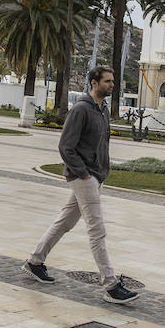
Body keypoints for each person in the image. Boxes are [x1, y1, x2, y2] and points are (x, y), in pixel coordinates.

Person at [23, 65, 140, 305]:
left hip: (96, 176)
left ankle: (35, 262)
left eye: (112, 81)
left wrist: (100, 172)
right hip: (83, 177)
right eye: (107, 81)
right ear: (94, 83)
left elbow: (102, 145)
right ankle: (110, 285)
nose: (112, 85)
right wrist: (84, 174)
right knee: (97, 230)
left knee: (65, 222)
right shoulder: (81, 110)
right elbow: (66, 146)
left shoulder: (103, 109)